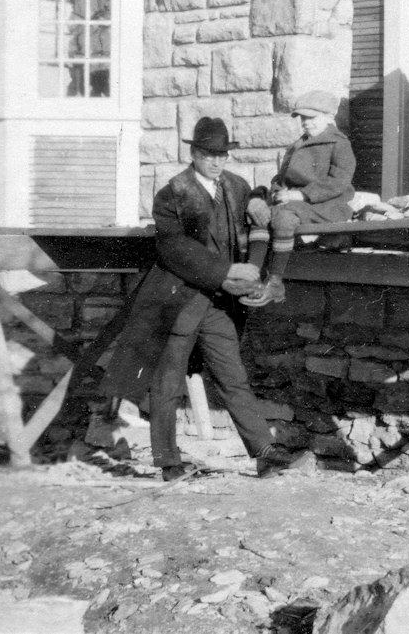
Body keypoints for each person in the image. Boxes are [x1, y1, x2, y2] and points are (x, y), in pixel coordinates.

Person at [100, 117, 312, 481]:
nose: (216, 162)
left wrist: (260, 198)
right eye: (208, 154)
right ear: (194, 153)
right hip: (178, 302)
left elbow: (256, 202)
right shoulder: (173, 193)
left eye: (222, 155)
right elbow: (174, 249)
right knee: (167, 383)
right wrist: (226, 274)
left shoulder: (235, 185)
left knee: (233, 376)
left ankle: (264, 453)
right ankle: (168, 463)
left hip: (215, 306)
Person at [240, 90, 356, 307]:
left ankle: (275, 282)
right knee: (262, 215)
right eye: (302, 118)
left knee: (283, 219)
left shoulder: (339, 144)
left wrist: (301, 194)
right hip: (293, 203)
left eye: (310, 118)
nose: (305, 123)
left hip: (326, 205)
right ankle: (253, 279)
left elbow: (339, 182)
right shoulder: (296, 145)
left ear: (327, 117)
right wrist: (278, 191)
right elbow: (281, 177)